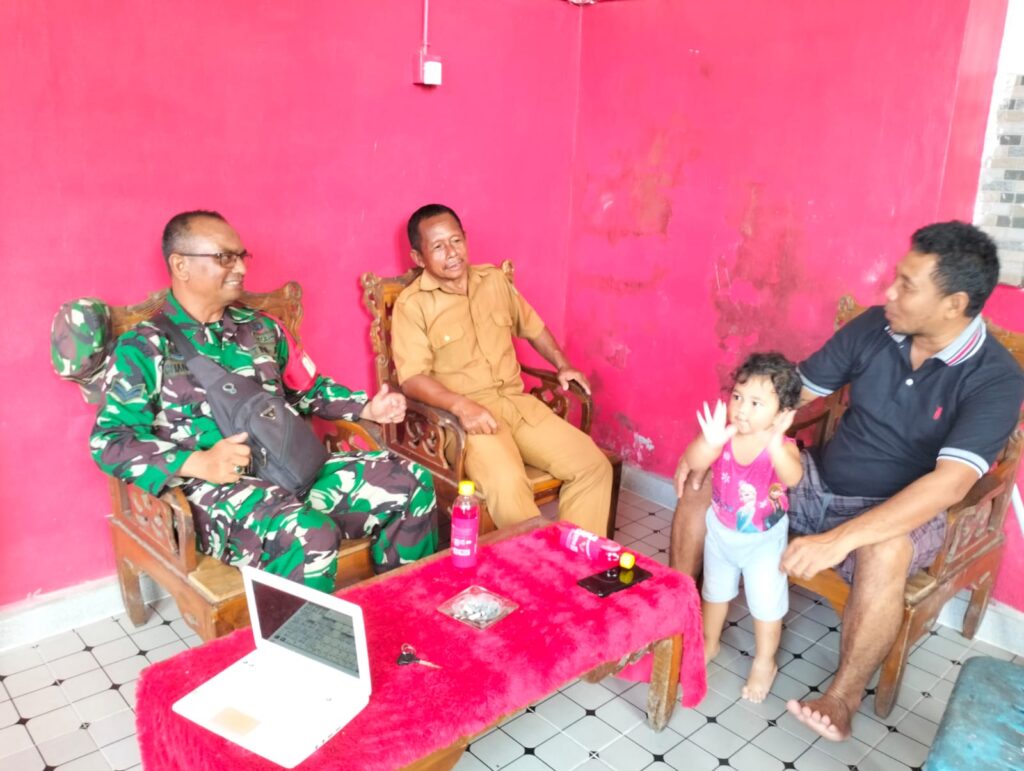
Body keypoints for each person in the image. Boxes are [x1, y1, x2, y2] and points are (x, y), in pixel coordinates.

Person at [670, 221, 1024, 740]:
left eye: (907, 285)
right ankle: (674, 616)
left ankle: (841, 698)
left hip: (897, 507)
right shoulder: (876, 328)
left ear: (954, 304)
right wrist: (720, 441)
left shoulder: (994, 377)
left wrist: (838, 540)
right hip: (817, 479)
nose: (889, 292)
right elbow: (790, 393)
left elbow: (949, 485)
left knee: (886, 551)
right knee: (705, 480)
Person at [91, 210, 439, 592]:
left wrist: (365, 407)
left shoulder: (261, 329)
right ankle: (301, 632)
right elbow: (111, 442)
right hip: (214, 493)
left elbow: (308, 389)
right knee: (309, 534)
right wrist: (200, 462)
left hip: (293, 467)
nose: (241, 268)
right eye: (225, 257)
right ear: (181, 265)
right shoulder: (143, 347)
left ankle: (400, 604)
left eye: (242, 256)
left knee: (411, 482)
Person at [390, 203, 612, 534]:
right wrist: (461, 406)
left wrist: (563, 364)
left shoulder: (493, 280)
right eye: (438, 247)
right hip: (468, 420)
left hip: (518, 405)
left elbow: (533, 326)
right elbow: (412, 379)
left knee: (593, 466)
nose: (452, 252)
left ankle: (573, 561)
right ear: (418, 258)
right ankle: (536, 562)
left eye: (456, 240)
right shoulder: (413, 305)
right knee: (508, 486)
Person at [685, 353, 802, 703]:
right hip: (721, 533)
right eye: (737, 397)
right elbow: (694, 462)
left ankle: (765, 661)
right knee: (715, 593)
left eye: (755, 403)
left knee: (765, 604)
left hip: (763, 542)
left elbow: (792, 477)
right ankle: (710, 642)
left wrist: (776, 443)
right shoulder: (724, 436)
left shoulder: (783, 447)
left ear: (781, 414)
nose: (741, 409)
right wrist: (708, 442)